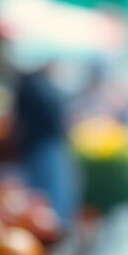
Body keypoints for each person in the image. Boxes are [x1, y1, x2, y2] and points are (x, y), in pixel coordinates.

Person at [11, 62, 78, 228]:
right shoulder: (48, 87)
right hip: (53, 144)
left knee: (43, 193)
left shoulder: (28, 87)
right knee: (54, 192)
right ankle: (56, 228)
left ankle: (50, 227)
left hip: (39, 146)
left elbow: (17, 123)